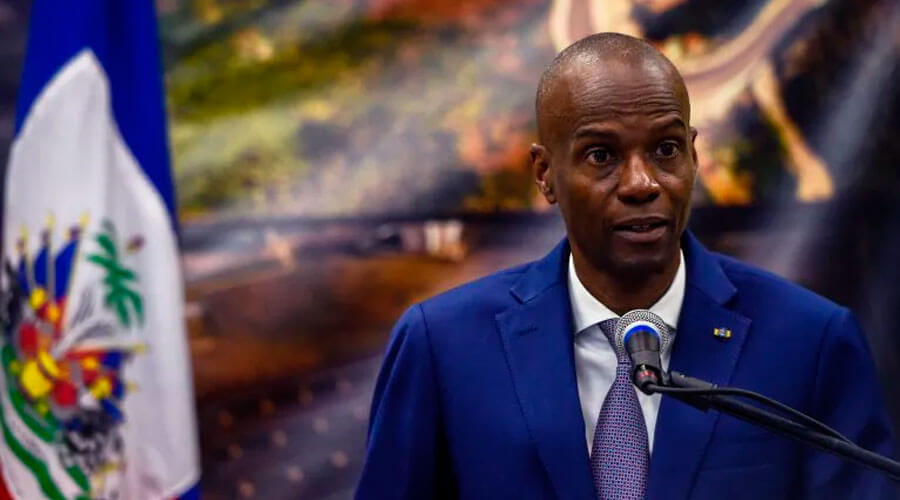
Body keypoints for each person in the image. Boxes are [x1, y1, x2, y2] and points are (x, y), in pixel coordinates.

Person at [355, 32, 895, 499]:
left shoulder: (810, 341)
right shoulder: (444, 345)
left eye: (666, 150)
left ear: (694, 155)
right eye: (602, 156)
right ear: (545, 174)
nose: (642, 183)